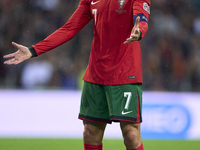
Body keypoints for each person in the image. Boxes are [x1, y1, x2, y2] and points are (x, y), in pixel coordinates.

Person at [4, 0, 150, 149]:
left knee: (131, 135)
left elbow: (142, 17)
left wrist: (139, 31)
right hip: (96, 75)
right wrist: (34, 50)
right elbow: (69, 28)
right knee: (90, 133)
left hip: (125, 75)